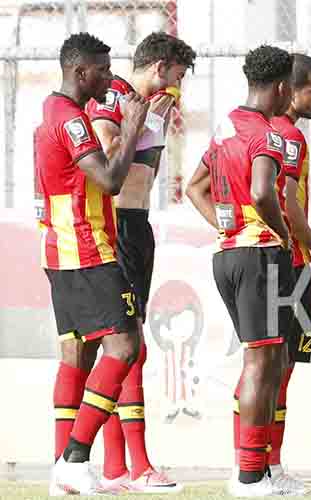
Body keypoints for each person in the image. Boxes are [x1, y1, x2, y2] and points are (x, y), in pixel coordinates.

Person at [185, 46, 302, 497]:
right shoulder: (267, 134)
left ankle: (256, 471)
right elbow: (261, 191)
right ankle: (250, 475)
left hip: (230, 255)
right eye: (288, 87)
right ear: (279, 88)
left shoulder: (223, 126)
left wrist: (226, 226)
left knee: (267, 358)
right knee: (261, 361)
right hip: (259, 255)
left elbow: (195, 187)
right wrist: (281, 232)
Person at [38, 33, 150, 495]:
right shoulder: (73, 120)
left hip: (62, 250)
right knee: (125, 346)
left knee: (81, 354)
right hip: (87, 250)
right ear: (80, 72)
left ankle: (65, 469)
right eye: (103, 70)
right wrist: (130, 129)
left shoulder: (54, 111)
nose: (110, 77)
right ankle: (76, 458)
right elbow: (109, 180)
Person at [85, 31, 196, 493]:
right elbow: (108, 158)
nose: (178, 85)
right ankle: (131, 464)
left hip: (137, 226)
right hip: (115, 226)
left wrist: (155, 118)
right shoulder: (114, 98)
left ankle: (118, 468)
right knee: (125, 346)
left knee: (128, 346)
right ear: (160, 67)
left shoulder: (146, 105)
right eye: (176, 75)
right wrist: (143, 121)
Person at [235, 53, 311, 492]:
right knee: (272, 367)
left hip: (277, 260)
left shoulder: (270, 132)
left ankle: (265, 465)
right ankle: (261, 467)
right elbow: (286, 200)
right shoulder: (287, 136)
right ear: (289, 90)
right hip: (286, 264)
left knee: (274, 366)